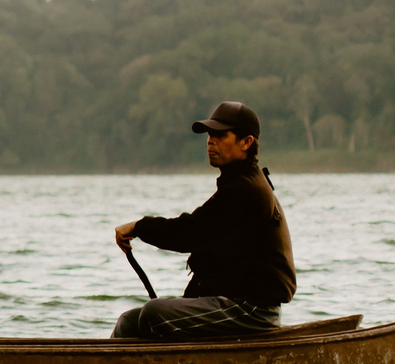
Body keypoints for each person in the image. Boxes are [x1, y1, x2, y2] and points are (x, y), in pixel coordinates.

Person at [111, 101, 297, 339]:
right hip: (230, 302)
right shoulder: (237, 184)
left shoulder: (246, 190)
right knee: (128, 321)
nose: (211, 141)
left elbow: (189, 233)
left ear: (246, 142)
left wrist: (139, 227)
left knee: (152, 314)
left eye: (221, 135)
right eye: (210, 135)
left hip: (253, 311)